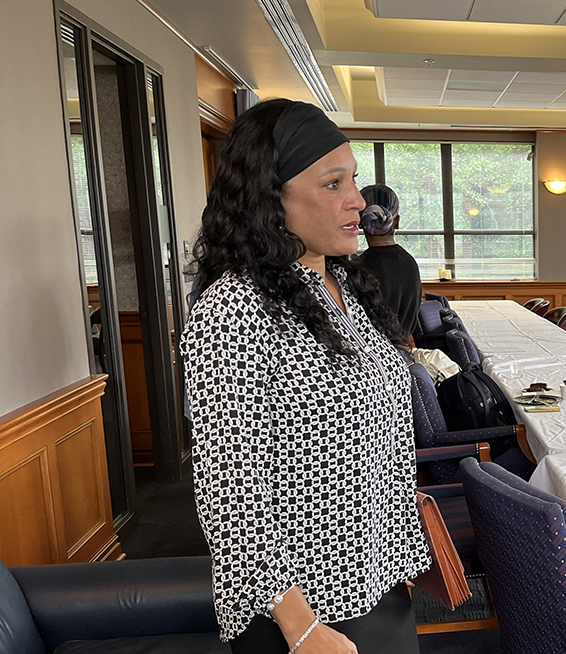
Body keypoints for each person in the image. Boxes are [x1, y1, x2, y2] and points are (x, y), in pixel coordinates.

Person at [183, 98, 429, 654]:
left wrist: (399, 554)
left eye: (356, 180)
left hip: (379, 581)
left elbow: (381, 438)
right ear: (271, 200)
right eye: (331, 183)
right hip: (304, 610)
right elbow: (230, 489)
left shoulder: (346, 288)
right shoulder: (236, 309)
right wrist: (300, 626)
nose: (358, 201)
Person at [356, 185, 423, 338]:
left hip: (371, 355)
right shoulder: (410, 263)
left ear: (361, 223)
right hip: (402, 354)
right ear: (396, 221)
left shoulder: (357, 268)